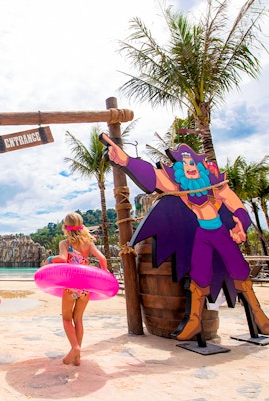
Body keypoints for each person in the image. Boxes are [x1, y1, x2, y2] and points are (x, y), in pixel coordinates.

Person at [100, 133, 269, 340]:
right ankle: (194, 322)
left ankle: (259, 315)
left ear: (201, 167)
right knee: (198, 276)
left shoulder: (216, 185)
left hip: (220, 233)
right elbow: (152, 176)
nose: (189, 165)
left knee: (239, 270)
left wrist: (240, 225)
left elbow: (238, 207)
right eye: (184, 162)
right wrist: (125, 161)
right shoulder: (179, 187)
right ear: (179, 168)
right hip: (201, 235)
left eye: (192, 162)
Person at [45, 212, 107, 366]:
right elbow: (102, 258)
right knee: (78, 319)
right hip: (85, 286)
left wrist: (49, 259)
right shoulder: (88, 243)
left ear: (65, 227)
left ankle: (75, 347)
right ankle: (77, 357)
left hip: (70, 284)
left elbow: (62, 259)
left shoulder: (65, 243)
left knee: (66, 319)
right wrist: (104, 275)